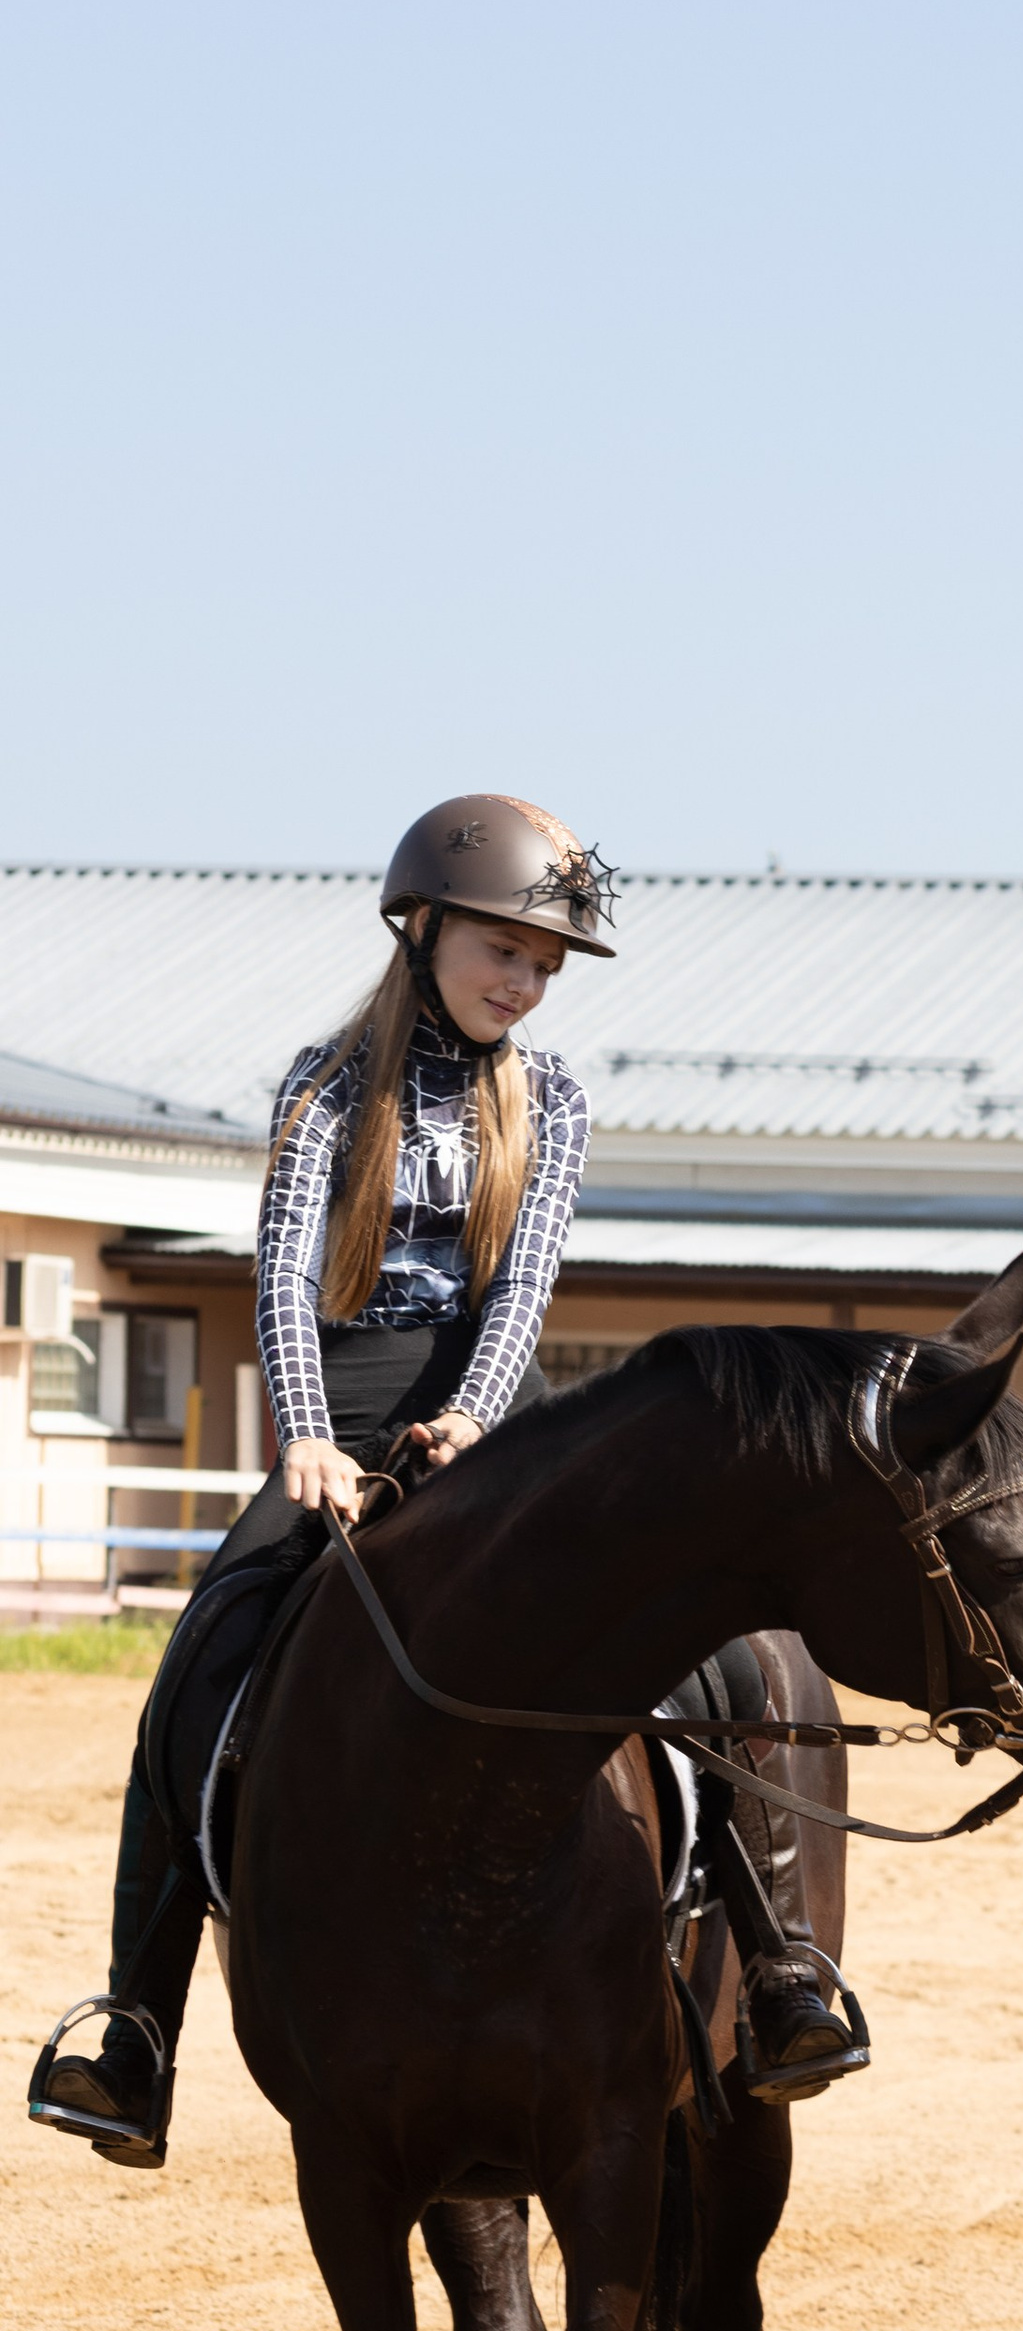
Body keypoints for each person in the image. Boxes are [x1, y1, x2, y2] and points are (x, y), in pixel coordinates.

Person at [30, 792, 857, 2168]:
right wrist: (304, 1432)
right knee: (202, 1661)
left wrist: (479, 1418)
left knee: (710, 1641)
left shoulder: (558, 1104)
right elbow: (284, 1275)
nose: (523, 982)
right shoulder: (324, 1083)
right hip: (338, 1398)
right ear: (422, 929)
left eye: (543, 965)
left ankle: (778, 1970)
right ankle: (137, 2029)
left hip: (496, 1412)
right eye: (502, 950)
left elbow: (521, 1290)